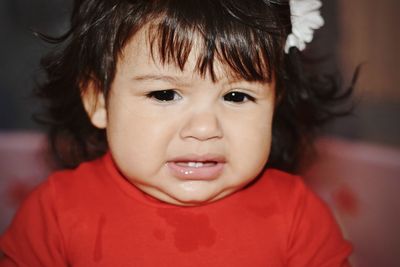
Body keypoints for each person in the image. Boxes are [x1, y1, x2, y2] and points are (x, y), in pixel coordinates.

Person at [0, 0, 354, 266]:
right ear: (99, 102)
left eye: (236, 96)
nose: (204, 129)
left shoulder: (298, 216)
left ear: (275, 105)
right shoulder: (56, 212)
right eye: (164, 94)